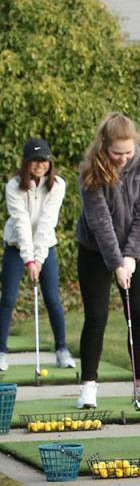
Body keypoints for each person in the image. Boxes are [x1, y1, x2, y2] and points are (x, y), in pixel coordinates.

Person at [75, 113, 140, 409]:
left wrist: (129, 257)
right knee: (97, 315)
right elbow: (100, 221)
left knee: (138, 314)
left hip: (134, 250)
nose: (124, 158)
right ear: (104, 145)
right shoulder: (91, 170)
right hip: (94, 250)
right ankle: (88, 385)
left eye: (128, 152)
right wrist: (116, 263)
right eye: (117, 153)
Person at [1, 139, 75, 371]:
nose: (40, 164)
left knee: (52, 298)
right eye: (35, 160)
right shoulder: (13, 186)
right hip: (16, 246)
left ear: (49, 162)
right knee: (8, 299)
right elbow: (21, 222)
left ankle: (62, 350)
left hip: (46, 246)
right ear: (26, 162)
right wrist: (29, 259)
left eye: (44, 160)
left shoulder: (57, 185)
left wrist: (39, 259)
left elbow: (47, 222)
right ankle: (1, 351)